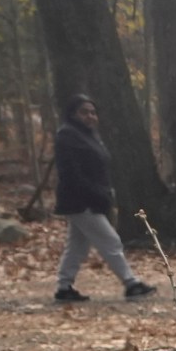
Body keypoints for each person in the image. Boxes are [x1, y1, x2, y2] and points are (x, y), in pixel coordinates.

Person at [53, 95, 154, 302]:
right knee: (110, 240)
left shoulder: (88, 135)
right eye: (84, 112)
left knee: (77, 245)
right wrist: (95, 194)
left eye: (92, 112)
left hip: (91, 198)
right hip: (80, 200)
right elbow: (71, 173)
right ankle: (131, 283)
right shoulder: (67, 136)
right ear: (73, 114)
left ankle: (64, 287)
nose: (90, 116)